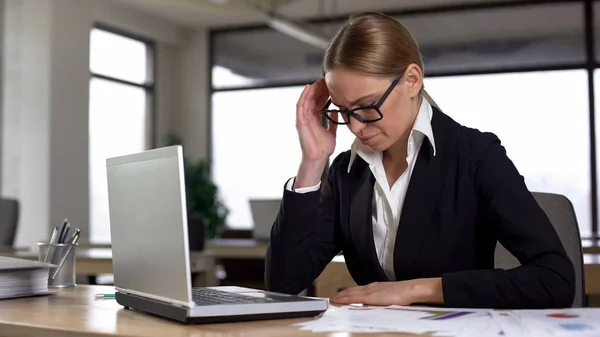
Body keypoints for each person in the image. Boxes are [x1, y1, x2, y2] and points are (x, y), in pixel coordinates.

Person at [264, 12, 575, 309]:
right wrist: (313, 162)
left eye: (367, 106)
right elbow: (282, 284)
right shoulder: (347, 172)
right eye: (344, 111)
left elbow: (555, 278)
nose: (356, 127)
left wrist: (419, 288)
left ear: (412, 80)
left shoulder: (475, 155)